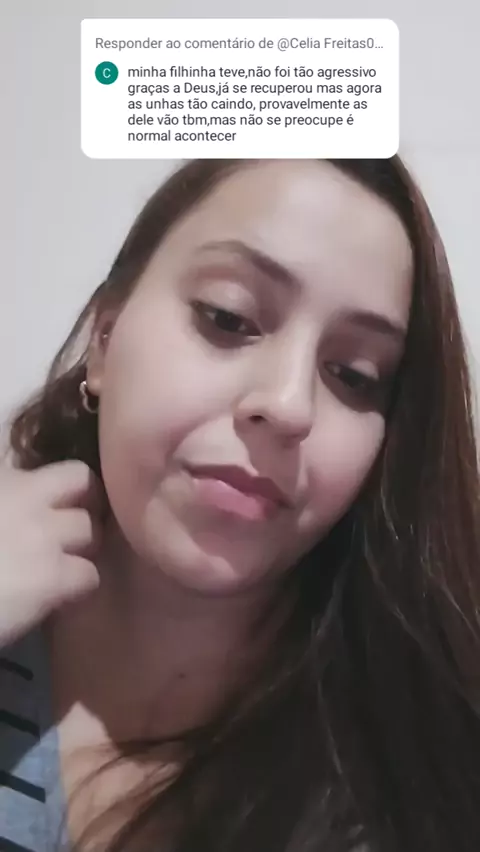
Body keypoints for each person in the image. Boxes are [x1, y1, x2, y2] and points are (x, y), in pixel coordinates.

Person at [1, 157, 480, 852]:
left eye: (353, 375)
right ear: (105, 340)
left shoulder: (407, 782)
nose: (288, 405)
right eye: (228, 318)